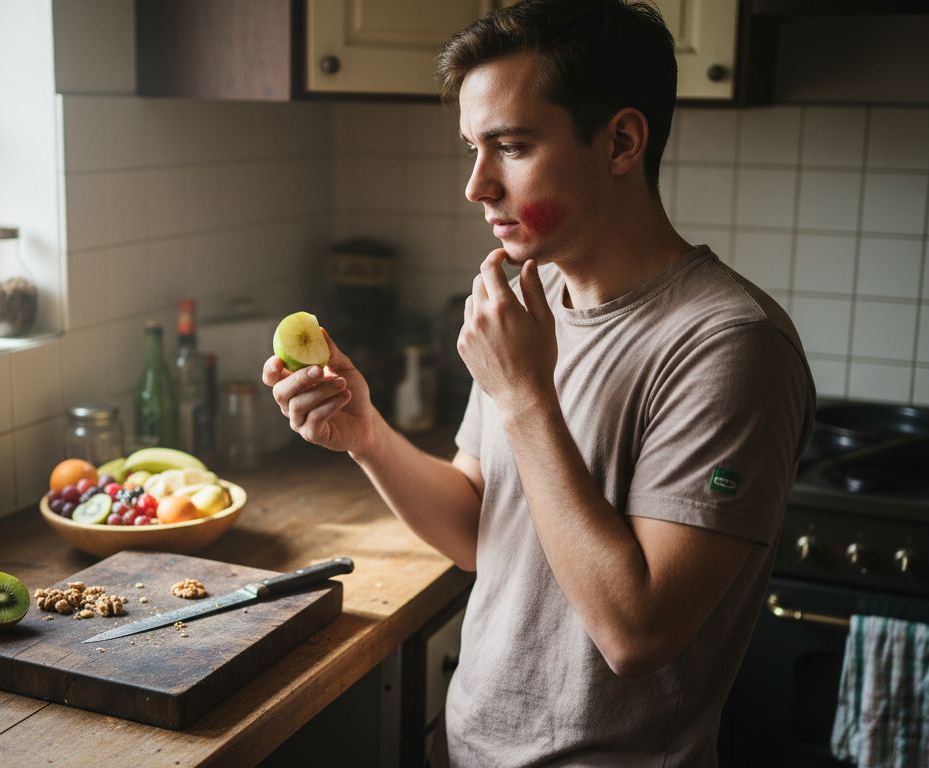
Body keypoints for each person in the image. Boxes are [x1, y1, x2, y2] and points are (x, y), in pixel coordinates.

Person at [262, 0, 815, 764]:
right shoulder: (530, 301)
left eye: (511, 147)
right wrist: (367, 435)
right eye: (472, 149)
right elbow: (476, 531)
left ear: (621, 142)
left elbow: (637, 633)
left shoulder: (728, 345)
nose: (477, 185)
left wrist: (524, 395)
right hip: (466, 749)